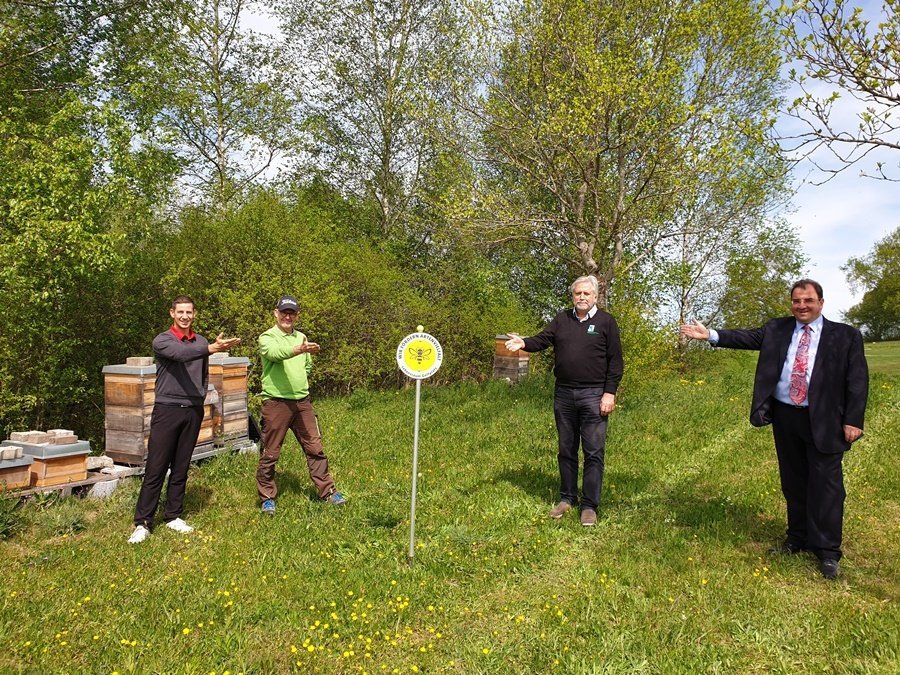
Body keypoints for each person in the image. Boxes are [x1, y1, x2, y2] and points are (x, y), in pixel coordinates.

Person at [680, 279, 868, 579]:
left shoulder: (845, 336)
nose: (801, 306)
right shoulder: (778, 329)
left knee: (827, 487)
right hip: (786, 416)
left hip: (825, 420)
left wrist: (854, 420)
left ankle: (828, 551)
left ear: (821, 302)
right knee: (793, 481)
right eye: (796, 301)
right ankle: (797, 538)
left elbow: (857, 380)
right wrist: (711, 335)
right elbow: (747, 338)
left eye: (808, 300)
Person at [505, 276, 624, 526]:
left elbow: (615, 362)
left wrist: (609, 393)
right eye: (577, 293)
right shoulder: (562, 319)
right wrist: (523, 342)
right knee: (566, 449)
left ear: (595, 297)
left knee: (593, 451)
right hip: (564, 394)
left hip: (594, 395)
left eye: (586, 294)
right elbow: (542, 340)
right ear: (573, 296)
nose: (581, 297)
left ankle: (589, 505)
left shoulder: (606, 322)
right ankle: (567, 498)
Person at [129, 296, 241, 543]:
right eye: (180, 312)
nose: (184, 316)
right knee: (156, 467)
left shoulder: (200, 341)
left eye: (188, 312)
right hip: (167, 409)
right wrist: (212, 348)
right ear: (172, 313)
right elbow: (181, 354)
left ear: (194, 314)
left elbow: (202, 373)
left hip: (192, 409)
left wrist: (200, 397)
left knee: (181, 466)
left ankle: (173, 515)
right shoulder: (163, 340)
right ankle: (143, 522)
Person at [256, 295, 346, 514]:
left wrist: (301, 365)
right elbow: (274, 355)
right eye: (284, 312)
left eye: (292, 313)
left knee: (315, 448)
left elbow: (307, 366)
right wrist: (297, 350)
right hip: (276, 403)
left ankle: (328, 492)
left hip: (302, 402)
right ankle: (267, 497)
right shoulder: (267, 337)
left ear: (297, 315)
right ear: (275, 313)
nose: (288, 316)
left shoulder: (302, 337)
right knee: (271, 452)